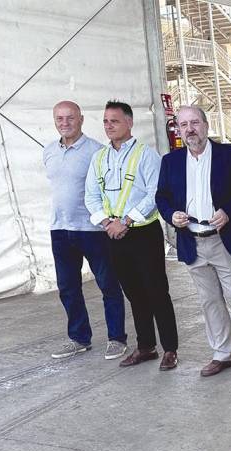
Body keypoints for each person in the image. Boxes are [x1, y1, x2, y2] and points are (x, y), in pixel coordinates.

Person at [156, 106, 231, 378]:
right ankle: (222, 354)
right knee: (209, 301)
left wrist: (228, 211)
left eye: (195, 122)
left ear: (206, 125)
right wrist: (171, 215)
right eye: (183, 125)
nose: (190, 129)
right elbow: (162, 197)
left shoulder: (229, 155)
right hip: (192, 241)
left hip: (224, 239)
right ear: (178, 130)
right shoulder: (171, 161)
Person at [84, 100, 179, 370]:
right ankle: (146, 346)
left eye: (114, 120)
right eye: (105, 121)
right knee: (134, 293)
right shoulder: (100, 158)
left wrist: (126, 221)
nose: (108, 126)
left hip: (142, 233)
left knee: (157, 291)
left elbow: (154, 193)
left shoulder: (145, 155)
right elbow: (91, 196)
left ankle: (170, 349)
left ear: (129, 122)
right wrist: (106, 222)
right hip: (113, 234)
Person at [45, 101, 127, 360]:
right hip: (59, 228)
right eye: (60, 118)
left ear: (81, 119)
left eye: (70, 118)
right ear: (55, 120)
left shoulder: (97, 152)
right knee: (68, 288)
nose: (65, 123)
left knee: (108, 285)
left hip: (92, 229)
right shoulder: (48, 151)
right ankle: (79, 338)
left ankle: (117, 338)